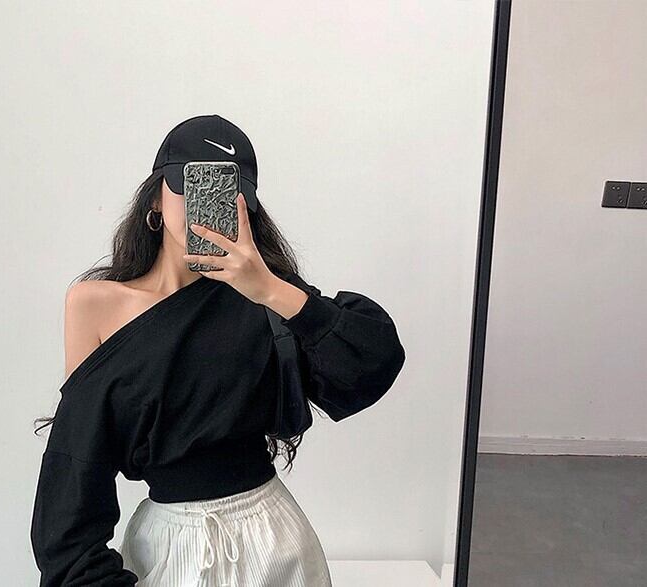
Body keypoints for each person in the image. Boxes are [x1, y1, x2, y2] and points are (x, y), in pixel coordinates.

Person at [30, 114, 406, 586]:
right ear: (155, 199)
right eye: (190, 184)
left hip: (273, 539)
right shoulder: (93, 305)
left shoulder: (268, 294)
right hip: (169, 548)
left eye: (228, 191)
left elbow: (371, 362)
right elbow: (75, 472)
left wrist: (269, 288)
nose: (204, 204)